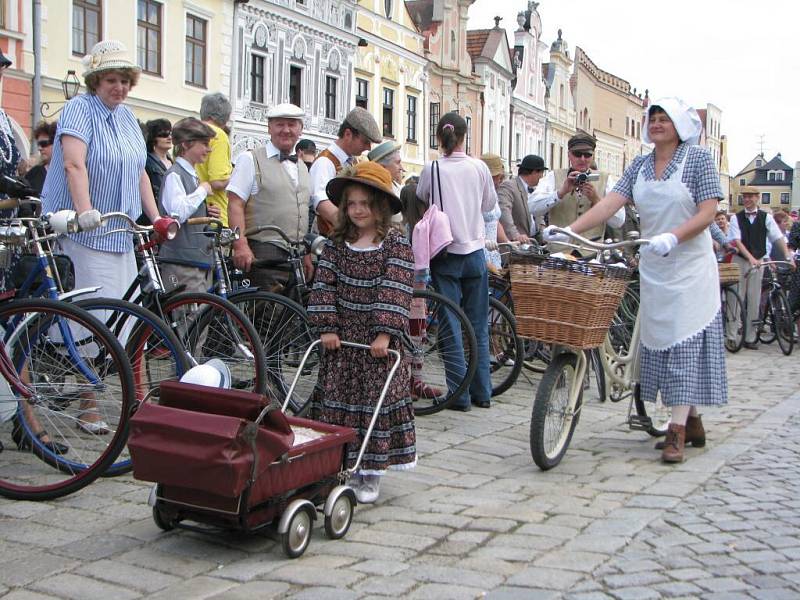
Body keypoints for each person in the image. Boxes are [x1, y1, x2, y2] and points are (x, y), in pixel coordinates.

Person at [545, 97, 727, 463]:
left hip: (689, 265)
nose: (657, 123)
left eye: (665, 118)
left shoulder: (698, 161)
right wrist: (567, 231)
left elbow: (709, 212)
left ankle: (675, 432)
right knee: (662, 340)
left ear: (680, 125)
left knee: (683, 344)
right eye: (653, 117)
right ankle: (691, 421)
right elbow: (610, 204)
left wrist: (675, 236)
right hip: (656, 265)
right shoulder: (641, 165)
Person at [41, 40, 171, 432]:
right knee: (89, 320)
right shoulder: (80, 109)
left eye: (124, 80)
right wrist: (84, 213)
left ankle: (134, 399)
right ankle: (89, 405)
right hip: (85, 231)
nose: (119, 87)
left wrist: (156, 218)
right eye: (111, 79)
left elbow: (139, 172)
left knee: (126, 319)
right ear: (97, 80)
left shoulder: (129, 118)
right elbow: (73, 163)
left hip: (120, 231)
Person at [307, 160, 416, 504]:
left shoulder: (394, 244)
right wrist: (327, 327)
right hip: (343, 342)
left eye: (364, 204)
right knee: (338, 404)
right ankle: (340, 466)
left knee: (374, 406)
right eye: (351, 204)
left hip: (376, 346)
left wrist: (384, 333)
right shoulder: (337, 245)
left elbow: (395, 288)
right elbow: (323, 285)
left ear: (379, 207)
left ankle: (370, 473)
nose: (357, 211)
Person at [416, 112, 497, 411]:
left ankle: (459, 395)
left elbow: (424, 197)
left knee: (450, 324)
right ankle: (482, 392)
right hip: (475, 252)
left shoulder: (433, 167)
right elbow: (489, 205)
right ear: (466, 136)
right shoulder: (479, 168)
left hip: (446, 252)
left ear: (440, 137)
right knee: (478, 325)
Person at [227, 103, 309, 291]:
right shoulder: (250, 159)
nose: (286, 130)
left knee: (290, 316)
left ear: (300, 129)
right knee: (264, 315)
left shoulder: (302, 166)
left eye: (292, 124)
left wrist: (305, 254)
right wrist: (240, 245)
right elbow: (235, 204)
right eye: (280, 124)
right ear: (269, 128)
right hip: (263, 249)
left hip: (295, 254)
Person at [531, 132, 625, 252]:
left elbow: (619, 221)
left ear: (593, 156)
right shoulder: (554, 177)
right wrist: (560, 193)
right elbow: (533, 207)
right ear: (569, 155)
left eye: (587, 155)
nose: (582, 159)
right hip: (559, 253)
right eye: (577, 154)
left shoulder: (605, 180)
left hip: (592, 254)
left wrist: (596, 200)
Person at [728, 186, 794, 349]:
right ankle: (731, 335)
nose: (747, 199)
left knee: (754, 298)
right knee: (735, 298)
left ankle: (750, 337)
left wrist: (788, 257)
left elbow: (777, 238)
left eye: (751, 196)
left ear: (757, 198)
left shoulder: (766, 217)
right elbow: (737, 241)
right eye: (745, 197)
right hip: (741, 260)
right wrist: (750, 258)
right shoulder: (736, 218)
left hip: (758, 260)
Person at [157, 118, 218, 295]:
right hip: (181, 263)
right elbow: (178, 213)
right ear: (185, 144)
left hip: (195, 261)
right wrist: (202, 191)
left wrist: (206, 211)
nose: (209, 149)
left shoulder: (191, 175)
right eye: (204, 144)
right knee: (189, 319)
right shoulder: (175, 175)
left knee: (199, 318)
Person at [309, 107, 382, 234]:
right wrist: (351, 228)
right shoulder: (325, 162)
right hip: (330, 238)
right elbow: (321, 203)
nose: (368, 148)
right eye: (365, 142)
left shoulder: (353, 162)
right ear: (348, 134)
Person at [196, 93, 233, 226]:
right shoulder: (218, 135)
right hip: (214, 215)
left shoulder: (189, 132)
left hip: (192, 213)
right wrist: (234, 175)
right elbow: (218, 181)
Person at [497, 154, 547, 243]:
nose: (542, 177)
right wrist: (515, 235)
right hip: (516, 246)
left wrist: (544, 231)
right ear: (534, 172)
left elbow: (538, 213)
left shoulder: (536, 190)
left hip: (534, 244)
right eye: (541, 173)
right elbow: (504, 212)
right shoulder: (509, 187)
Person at [479, 153, 510, 270]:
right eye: (498, 177)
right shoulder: (477, 194)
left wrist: (508, 243)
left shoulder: (493, 194)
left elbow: (495, 222)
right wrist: (484, 242)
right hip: (480, 250)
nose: (500, 181)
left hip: (493, 252)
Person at [143, 118, 173, 223]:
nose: (169, 137)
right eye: (164, 134)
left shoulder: (172, 162)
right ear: (153, 138)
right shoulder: (146, 162)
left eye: (170, 133)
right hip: (154, 217)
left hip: (171, 217)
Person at [24, 120, 58, 198]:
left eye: (43, 144)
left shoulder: (68, 171)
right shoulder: (33, 174)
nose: (39, 148)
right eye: (38, 144)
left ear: (56, 143)